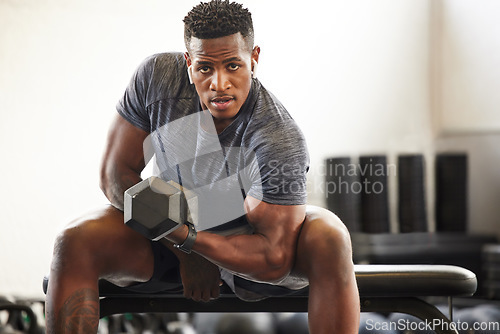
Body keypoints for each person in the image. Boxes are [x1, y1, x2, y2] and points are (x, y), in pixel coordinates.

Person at [45, 1, 360, 333]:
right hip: (169, 235)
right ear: (188, 62)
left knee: (331, 237)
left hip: (250, 254)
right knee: (73, 239)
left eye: (233, 66)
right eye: (205, 67)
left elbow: (274, 258)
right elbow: (116, 175)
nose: (219, 83)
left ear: (254, 59)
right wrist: (184, 248)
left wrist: (193, 242)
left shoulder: (277, 137)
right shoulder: (158, 79)